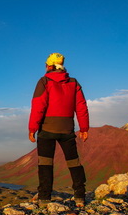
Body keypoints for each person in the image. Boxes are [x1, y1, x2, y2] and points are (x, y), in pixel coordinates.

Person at [28, 53, 89, 207]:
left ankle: (44, 198)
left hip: (46, 128)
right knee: (73, 162)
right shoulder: (74, 83)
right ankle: (80, 196)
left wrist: (32, 128)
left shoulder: (44, 81)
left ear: (49, 66)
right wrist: (84, 128)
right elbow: (81, 106)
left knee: (45, 163)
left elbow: (38, 106)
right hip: (67, 129)